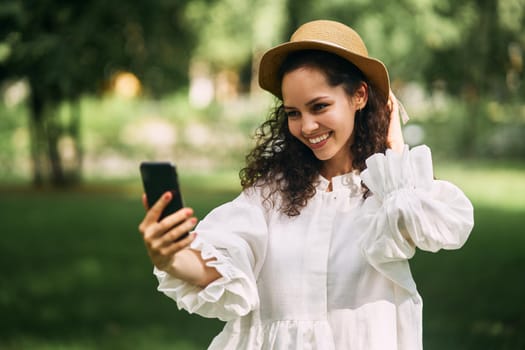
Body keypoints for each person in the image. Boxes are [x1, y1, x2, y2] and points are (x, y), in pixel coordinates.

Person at [138, 20, 474, 350]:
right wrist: (170, 257)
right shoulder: (270, 194)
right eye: (294, 113)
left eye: (320, 106)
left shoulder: (388, 191)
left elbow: (433, 228)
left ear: (359, 96)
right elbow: (222, 267)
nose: (307, 125)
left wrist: (395, 152)